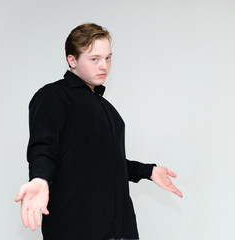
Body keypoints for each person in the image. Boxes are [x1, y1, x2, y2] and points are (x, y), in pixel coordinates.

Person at [15, 23, 183, 240]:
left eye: (108, 58)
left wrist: (147, 171)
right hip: (77, 228)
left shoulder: (107, 109)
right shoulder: (53, 96)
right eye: (94, 59)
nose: (104, 66)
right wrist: (40, 179)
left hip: (120, 229)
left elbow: (104, 162)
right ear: (72, 60)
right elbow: (44, 147)